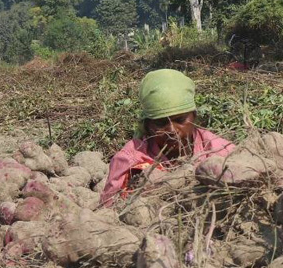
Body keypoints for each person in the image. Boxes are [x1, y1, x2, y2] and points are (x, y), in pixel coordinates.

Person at [100, 69, 235, 205]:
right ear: (148, 125)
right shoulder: (130, 160)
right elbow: (108, 211)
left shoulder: (222, 151)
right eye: (161, 123)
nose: (171, 130)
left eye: (180, 120)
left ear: (194, 116)